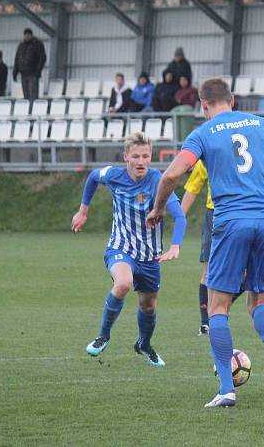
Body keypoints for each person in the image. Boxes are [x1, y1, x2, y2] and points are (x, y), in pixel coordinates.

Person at [145, 78, 264, 408]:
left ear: (202, 104)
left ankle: (226, 389)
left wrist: (156, 209)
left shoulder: (203, 134)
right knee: (258, 302)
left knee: (218, 306)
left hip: (232, 221)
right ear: (233, 100)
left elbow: (169, 176)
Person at [71, 132, 186, 367]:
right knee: (123, 283)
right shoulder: (114, 175)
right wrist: (83, 210)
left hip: (150, 256)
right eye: (136, 156)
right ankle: (103, 335)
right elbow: (93, 177)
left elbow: (179, 216)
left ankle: (144, 344)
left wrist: (175, 245)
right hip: (120, 247)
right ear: (126, 157)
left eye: (145, 156)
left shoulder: (158, 181)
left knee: (148, 305)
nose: (141, 161)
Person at [181, 160, 215, 336]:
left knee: (244, 273)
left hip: (239, 213)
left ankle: (218, 307)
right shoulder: (207, 158)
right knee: (209, 271)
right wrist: (180, 218)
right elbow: (193, 188)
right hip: (215, 215)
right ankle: (205, 322)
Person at [12, 28, 47, 101]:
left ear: (31, 35)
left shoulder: (37, 44)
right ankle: (27, 111)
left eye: (28, 35)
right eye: (25, 35)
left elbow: (42, 58)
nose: (26, 37)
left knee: (33, 96)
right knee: (26, 96)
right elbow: (17, 59)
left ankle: (33, 111)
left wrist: (38, 71)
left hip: (33, 74)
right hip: (23, 74)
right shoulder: (21, 46)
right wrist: (15, 72)